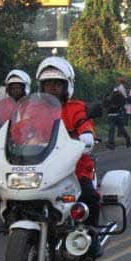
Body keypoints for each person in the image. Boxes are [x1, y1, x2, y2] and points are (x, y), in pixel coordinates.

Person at [36, 56, 100, 229]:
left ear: (67, 86)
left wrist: (86, 136)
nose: (52, 88)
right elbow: (20, 130)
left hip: (73, 167)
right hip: (40, 166)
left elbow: (84, 123)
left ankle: (90, 236)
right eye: (48, 84)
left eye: (57, 83)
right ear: (41, 87)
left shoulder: (75, 107)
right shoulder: (35, 110)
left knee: (89, 196)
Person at [105, 78, 128, 149]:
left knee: (119, 129)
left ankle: (127, 140)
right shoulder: (110, 94)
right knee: (112, 129)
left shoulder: (117, 92)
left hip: (116, 114)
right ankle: (111, 143)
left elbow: (123, 100)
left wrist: (119, 107)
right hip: (113, 114)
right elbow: (105, 103)